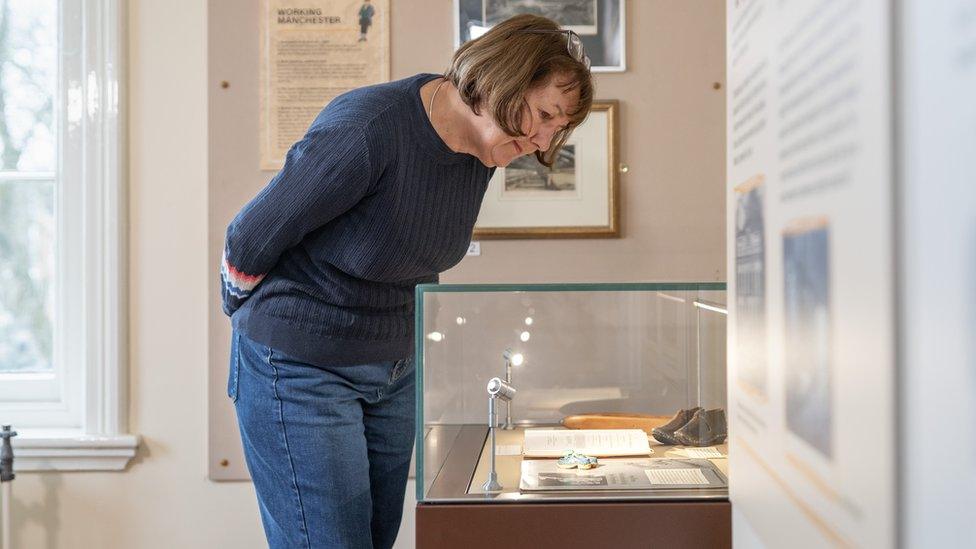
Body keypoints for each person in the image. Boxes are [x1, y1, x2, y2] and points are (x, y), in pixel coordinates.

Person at [221, 13, 593, 549]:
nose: (540, 141)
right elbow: (250, 237)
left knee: (375, 538)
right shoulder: (371, 126)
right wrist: (249, 320)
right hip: (301, 364)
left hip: (394, 368)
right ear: (499, 81)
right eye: (542, 115)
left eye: (557, 129)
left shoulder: (483, 149)